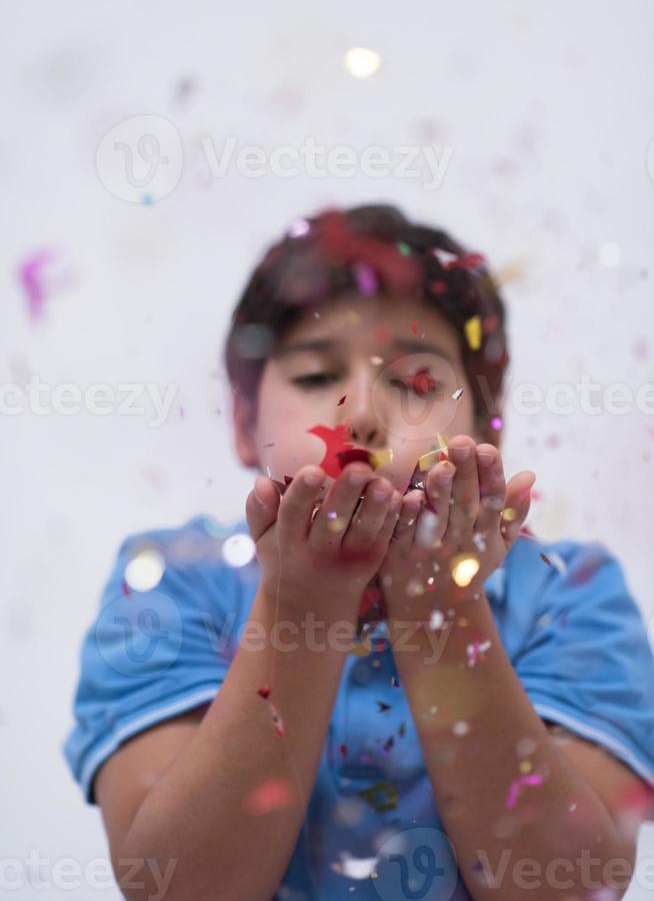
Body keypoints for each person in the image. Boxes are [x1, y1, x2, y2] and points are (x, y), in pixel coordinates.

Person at [63, 204, 654, 901]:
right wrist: (300, 605)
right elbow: (176, 889)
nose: (363, 414)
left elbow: (573, 889)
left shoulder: (571, 590)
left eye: (417, 384)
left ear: (485, 421)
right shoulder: (169, 582)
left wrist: (441, 609)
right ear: (246, 422)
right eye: (316, 377)